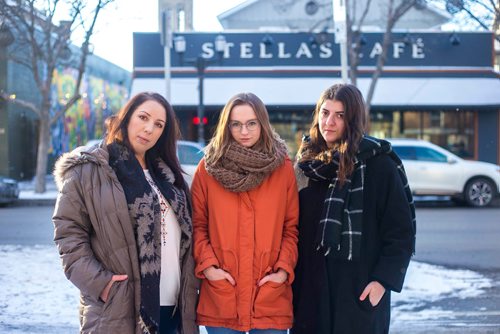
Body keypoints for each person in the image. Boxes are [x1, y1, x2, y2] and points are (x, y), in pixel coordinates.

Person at [52, 92, 199, 334]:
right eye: (143, 117)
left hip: (175, 309)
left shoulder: (169, 178)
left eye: (158, 125)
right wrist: (103, 285)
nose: (149, 128)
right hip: (120, 308)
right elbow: (68, 237)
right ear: (126, 117)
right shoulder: (89, 170)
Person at [292, 84, 416, 334]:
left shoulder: (379, 165)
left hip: (358, 291)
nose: (329, 122)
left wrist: (382, 282)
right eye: (325, 113)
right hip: (310, 291)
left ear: (354, 119)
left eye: (340, 115)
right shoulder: (305, 166)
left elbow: (401, 232)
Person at [191, 92, 299, 334]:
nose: (244, 131)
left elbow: (290, 228)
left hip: (269, 295)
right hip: (222, 295)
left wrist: (282, 271)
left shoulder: (282, 169)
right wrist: (209, 268)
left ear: (262, 123)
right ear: (226, 126)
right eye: (236, 124)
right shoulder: (208, 168)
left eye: (252, 123)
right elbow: (198, 225)